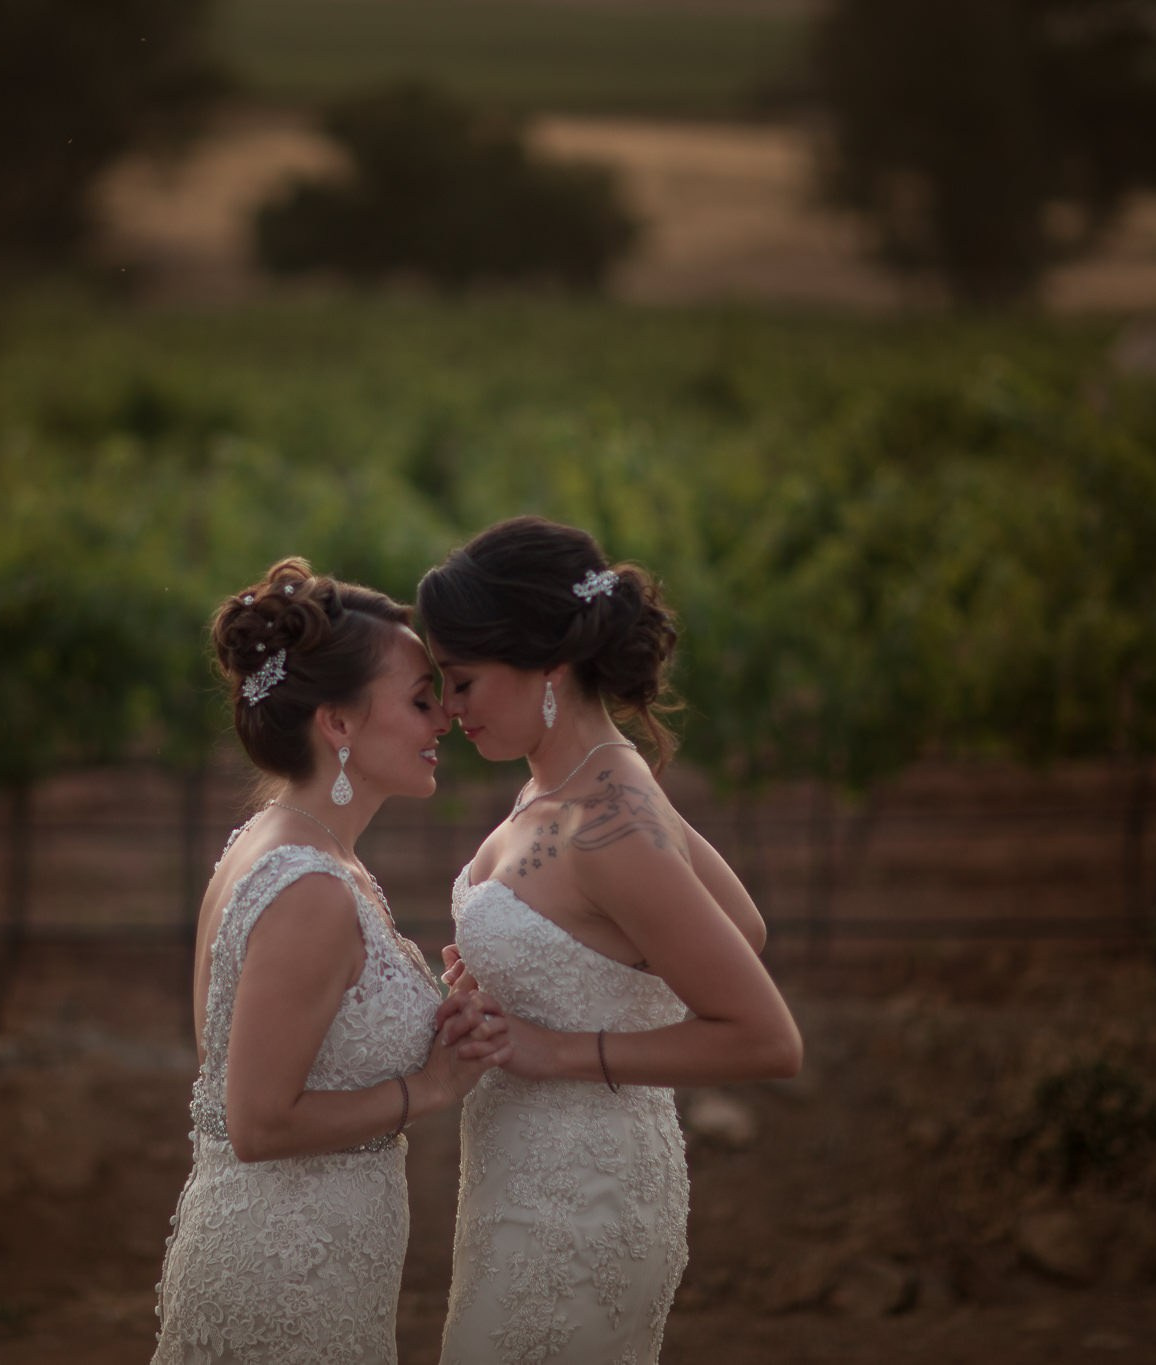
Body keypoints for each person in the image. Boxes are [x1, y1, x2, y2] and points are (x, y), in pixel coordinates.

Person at [417, 516, 803, 1364]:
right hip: (527, 1182)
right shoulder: (585, 784)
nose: (447, 709)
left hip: (578, 1205)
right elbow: (741, 924)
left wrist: (552, 1045)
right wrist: (534, 972)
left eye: (463, 682)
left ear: (546, 665)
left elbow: (768, 1037)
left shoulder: (607, 820)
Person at [152, 557, 510, 1365]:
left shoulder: (294, 850)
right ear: (338, 724)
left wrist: (437, 1019)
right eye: (422, 701)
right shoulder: (309, 886)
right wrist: (434, 1086)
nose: (444, 719)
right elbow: (258, 1120)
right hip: (288, 1271)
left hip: (314, 1253)